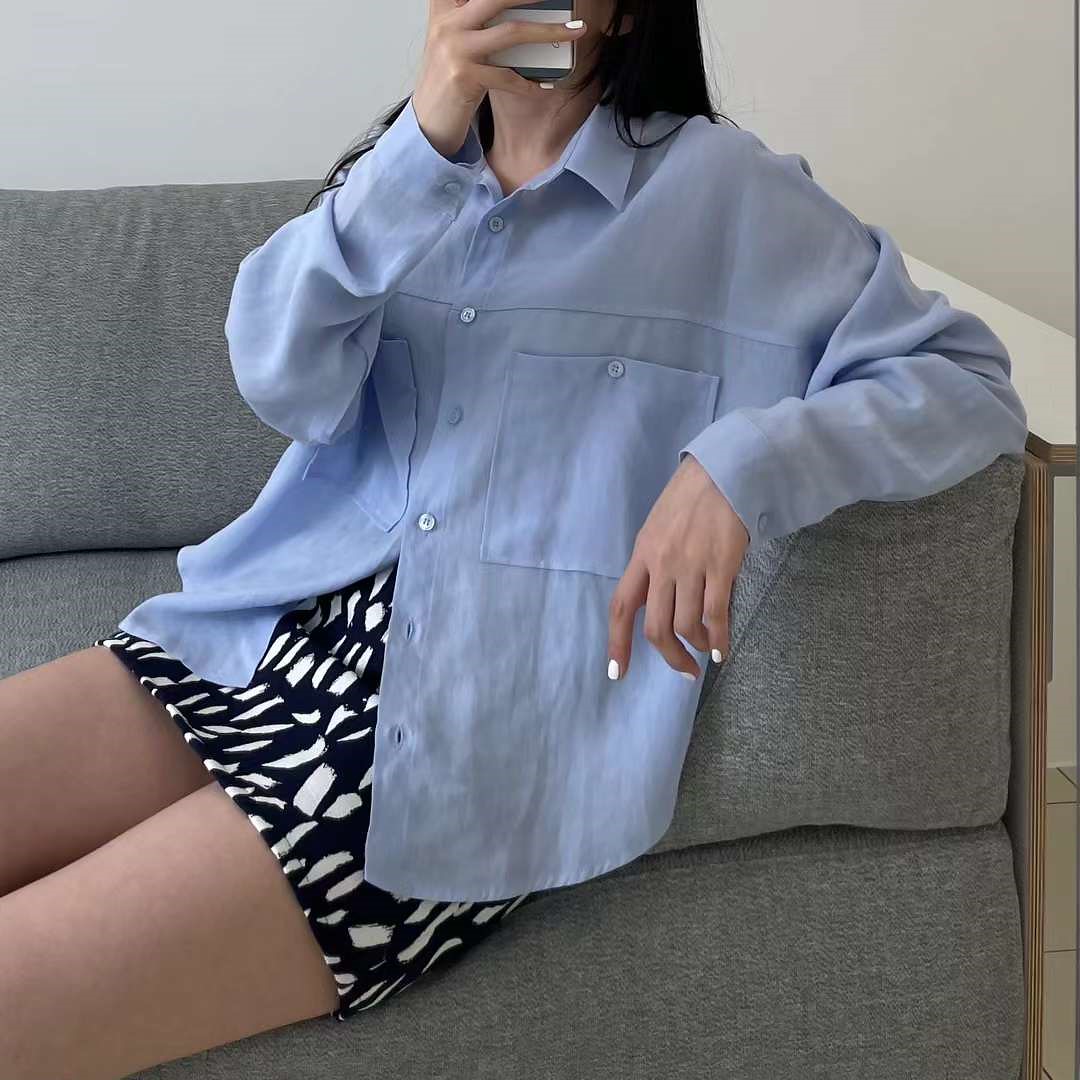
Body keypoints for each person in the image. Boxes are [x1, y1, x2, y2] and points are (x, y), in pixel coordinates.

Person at [0, 0, 1029, 1075]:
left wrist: (741, 466)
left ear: (624, 16)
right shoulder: (405, 180)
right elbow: (279, 377)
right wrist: (423, 136)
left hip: (440, 741)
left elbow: (963, 380)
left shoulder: (726, 195)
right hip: (254, 639)